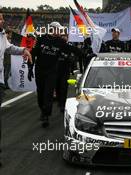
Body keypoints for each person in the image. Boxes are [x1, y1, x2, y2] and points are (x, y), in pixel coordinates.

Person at [0, 12, 32, 167]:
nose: (3, 20)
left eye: (2, 18)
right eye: (0, 18)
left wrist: (23, 50)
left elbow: (9, 48)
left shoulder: (1, 35)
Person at [29, 22, 71, 128]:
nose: (60, 32)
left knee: (48, 93)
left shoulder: (60, 41)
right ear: (53, 29)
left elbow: (72, 49)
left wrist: (87, 55)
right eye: (59, 30)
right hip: (40, 70)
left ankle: (46, 115)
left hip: (52, 72)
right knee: (41, 93)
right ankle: (43, 110)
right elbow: (34, 53)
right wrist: (30, 67)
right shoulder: (41, 39)